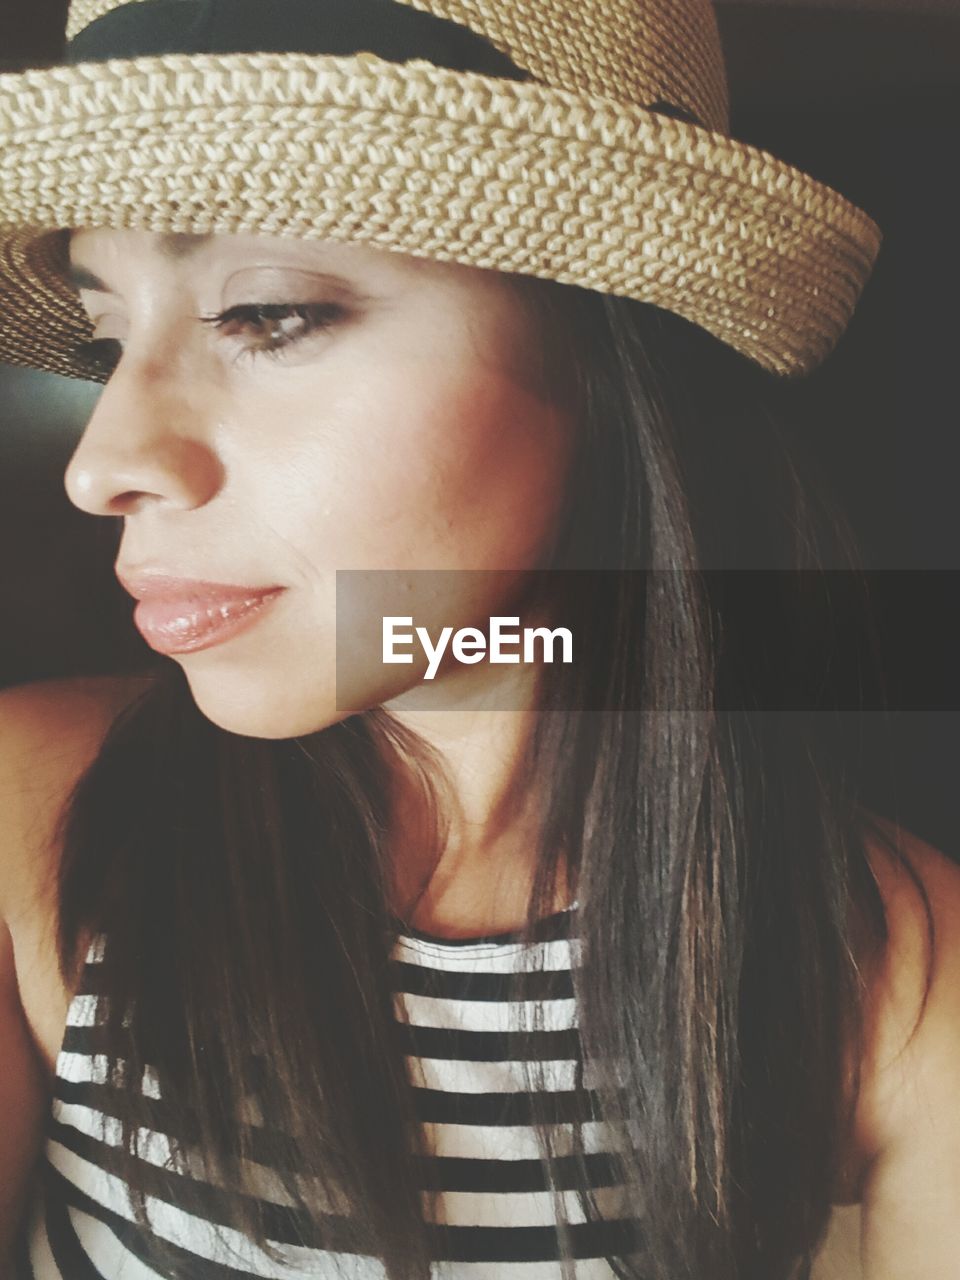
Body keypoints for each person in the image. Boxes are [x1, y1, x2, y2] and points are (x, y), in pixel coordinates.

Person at [0, 0, 958, 1277]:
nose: (107, 462)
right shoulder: (41, 822)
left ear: (616, 361)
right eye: (110, 341)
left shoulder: (893, 975)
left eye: (268, 313)